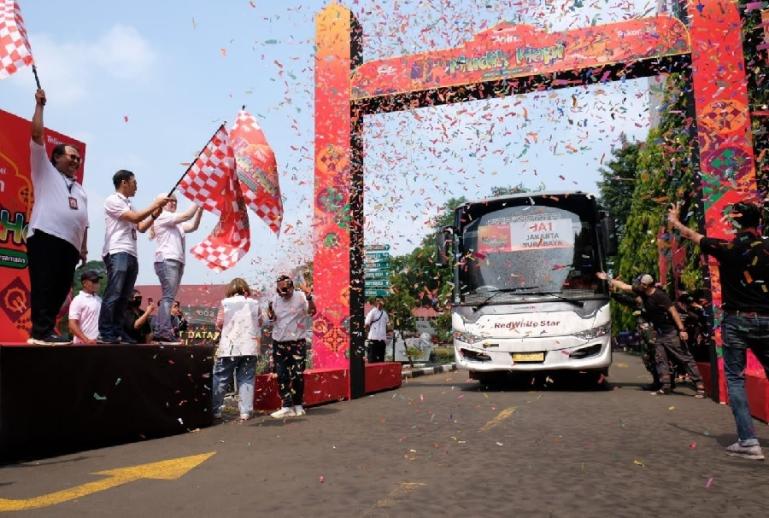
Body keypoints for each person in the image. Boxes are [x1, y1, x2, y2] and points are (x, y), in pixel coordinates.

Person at [669, 201, 769, 460]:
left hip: (737, 320)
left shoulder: (727, 248)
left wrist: (676, 221)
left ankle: (748, 441)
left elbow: (691, 235)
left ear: (735, 220)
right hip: (767, 319)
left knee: (735, 379)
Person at [26, 89, 89, 345]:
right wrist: (40, 106)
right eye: (71, 155)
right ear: (56, 157)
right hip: (46, 235)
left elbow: (84, 220)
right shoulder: (44, 170)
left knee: (61, 288)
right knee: (44, 283)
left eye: (78, 157)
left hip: (71, 245)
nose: (76, 159)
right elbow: (37, 135)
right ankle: (40, 331)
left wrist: (84, 247)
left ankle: (47, 330)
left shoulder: (80, 188)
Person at [598, 271, 705, 397]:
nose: (638, 286)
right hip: (659, 332)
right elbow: (624, 286)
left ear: (646, 285)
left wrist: (682, 330)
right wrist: (607, 278)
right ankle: (665, 386)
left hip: (670, 332)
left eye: (640, 284)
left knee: (684, 358)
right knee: (660, 359)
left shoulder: (661, 296)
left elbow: (673, 312)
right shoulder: (642, 292)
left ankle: (700, 386)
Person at [98, 171, 170, 344]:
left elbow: (142, 227)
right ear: (124, 182)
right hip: (117, 251)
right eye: (134, 182)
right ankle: (105, 332)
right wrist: (155, 204)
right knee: (114, 292)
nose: (136, 186)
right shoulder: (113, 200)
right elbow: (136, 218)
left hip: (131, 252)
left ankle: (117, 331)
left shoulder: (129, 204)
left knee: (124, 297)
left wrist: (155, 215)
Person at [149, 195, 202, 343]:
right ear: (162, 203)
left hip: (176, 261)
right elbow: (186, 215)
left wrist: (201, 208)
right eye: (169, 200)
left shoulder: (175, 222)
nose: (173, 203)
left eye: (175, 201)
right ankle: (163, 330)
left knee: (169, 297)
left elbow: (192, 226)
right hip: (167, 259)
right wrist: (199, 199)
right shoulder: (163, 215)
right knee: (168, 297)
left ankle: (162, 329)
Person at [212, 278, 263, 421]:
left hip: (229, 346)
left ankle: (215, 409)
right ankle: (245, 411)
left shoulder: (225, 303)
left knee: (221, 378)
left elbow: (219, 324)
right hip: (249, 346)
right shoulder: (254, 303)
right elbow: (260, 322)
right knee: (246, 378)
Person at [267, 274, 316, 419]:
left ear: (291, 286)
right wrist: (269, 311)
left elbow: (312, 312)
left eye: (285, 289)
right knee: (282, 375)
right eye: (280, 289)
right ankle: (287, 405)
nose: (283, 292)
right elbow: (272, 319)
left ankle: (298, 404)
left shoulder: (301, 296)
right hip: (279, 342)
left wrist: (309, 298)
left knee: (298, 375)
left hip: (297, 342)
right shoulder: (275, 299)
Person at [68, 270, 103, 344]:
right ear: (84, 283)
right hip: (82, 344)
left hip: (98, 343)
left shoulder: (99, 299)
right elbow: (72, 324)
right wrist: (86, 340)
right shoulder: (78, 300)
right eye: (94, 281)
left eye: (97, 281)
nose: (97, 284)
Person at [365, 297, 389, 362]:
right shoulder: (372, 312)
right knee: (372, 359)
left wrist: (386, 333)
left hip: (382, 339)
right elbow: (367, 324)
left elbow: (387, 325)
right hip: (373, 339)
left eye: (381, 301)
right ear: (376, 302)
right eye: (378, 301)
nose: (379, 302)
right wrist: (367, 335)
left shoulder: (385, 314)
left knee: (381, 359)